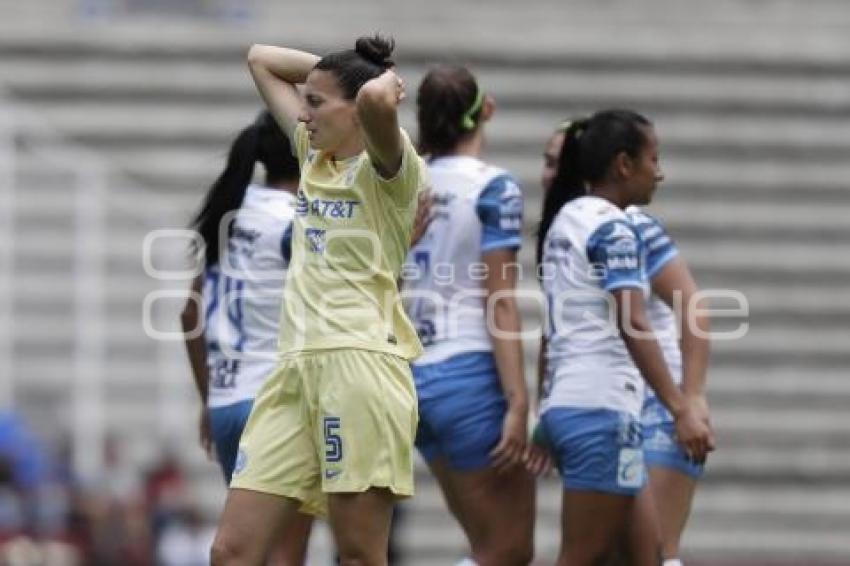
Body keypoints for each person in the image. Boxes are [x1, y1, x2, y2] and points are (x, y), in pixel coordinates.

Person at [210, 35, 427, 566]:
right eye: (303, 100)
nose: (302, 114)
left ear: (356, 111)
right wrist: (334, 75)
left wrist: (380, 80)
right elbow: (261, 58)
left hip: (359, 367)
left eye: (315, 103)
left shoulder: (389, 170)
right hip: (293, 372)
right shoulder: (314, 157)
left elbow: (377, 102)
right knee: (231, 552)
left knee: (357, 555)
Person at [535, 110, 714, 566]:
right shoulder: (614, 229)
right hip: (604, 408)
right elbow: (633, 322)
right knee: (583, 555)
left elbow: (551, 332)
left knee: (647, 554)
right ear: (623, 164)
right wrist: (682, 407)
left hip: (580, 405)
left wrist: (544, 409)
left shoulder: (565, 221)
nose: (660, 171)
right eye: (653, 158)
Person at [402, 64, 534, 565]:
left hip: (413, 379)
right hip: (469, 375)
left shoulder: (404, 183)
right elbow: (499, 298)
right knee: (509, 549)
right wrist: (518, 401)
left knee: (484, 547)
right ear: (488, 110)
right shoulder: (494, 187)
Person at [181, 110, 312, 565]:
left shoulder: (231, 209)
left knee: (248, 549)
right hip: (277, 403)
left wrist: (207, 398)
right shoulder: (300, 221)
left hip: (226, 403)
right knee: (282, 555)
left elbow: (188, 314)